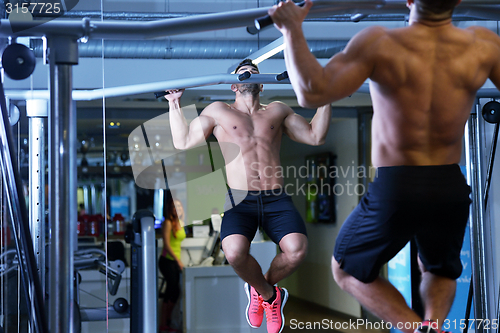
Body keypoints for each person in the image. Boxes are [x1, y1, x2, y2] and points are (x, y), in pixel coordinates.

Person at [269, 0, 500, 332]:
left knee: (346, 268)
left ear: (407, 1)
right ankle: (433, 326)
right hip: (450, 183)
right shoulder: (483, 44)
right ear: (459, 1)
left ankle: (416, 328)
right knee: (440, 269)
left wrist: (291, 29)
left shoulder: (381, 42)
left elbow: (312, 92)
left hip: (399, 184)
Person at [165, 58, 332, 333]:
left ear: (261, 83)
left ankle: (260, 290)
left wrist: (326, 99)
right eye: (242, 74)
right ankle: (270, 296)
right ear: (234, 85)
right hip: (239, 199)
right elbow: (182, 141)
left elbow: (315, 136)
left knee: (297, 250)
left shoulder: (277, 111)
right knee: (233, 252)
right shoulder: (219, 111)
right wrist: (174, 103)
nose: (248, 75)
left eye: (253, 72)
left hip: (276, 197)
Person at [158, 194, 186, 333]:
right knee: (171, 291)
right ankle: (163, 324)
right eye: (174, 207)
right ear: (170, 209)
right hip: (167, 261)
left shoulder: (179, 222)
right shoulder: (168, 223)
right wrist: (178, 260)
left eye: (179, 206)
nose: (177, 209)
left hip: (174, 261)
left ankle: (167, 322)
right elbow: (167, 245)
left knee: (175, 292)